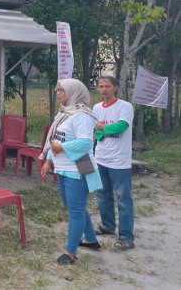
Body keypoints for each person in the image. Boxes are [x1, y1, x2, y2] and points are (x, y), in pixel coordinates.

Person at [40, 78, 103, 265]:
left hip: (78, 170)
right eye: (57, 89)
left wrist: (61, 148)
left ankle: (70, 252)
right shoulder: (64, 113)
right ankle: (90, 239)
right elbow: (54, 140)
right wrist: (49, 160)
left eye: (61, 90)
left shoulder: (82, 116)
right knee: (75, 207)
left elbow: (85, 143)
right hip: (64, 168)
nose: (58, 93)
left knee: (75, 211)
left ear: (74, 92)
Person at [93, 76, 135, 250]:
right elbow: (96, 132)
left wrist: (103, 128)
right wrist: (102, 130)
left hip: (119, 160)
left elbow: (121, 126)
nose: (104, 90)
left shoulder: (125, 107)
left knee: (123, 197)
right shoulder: (96, 107)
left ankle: (126, 236)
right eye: (101, 86)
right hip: (101, 157)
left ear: (115, 87)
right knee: (103, 194)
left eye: (108, 86)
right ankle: (108, 225)